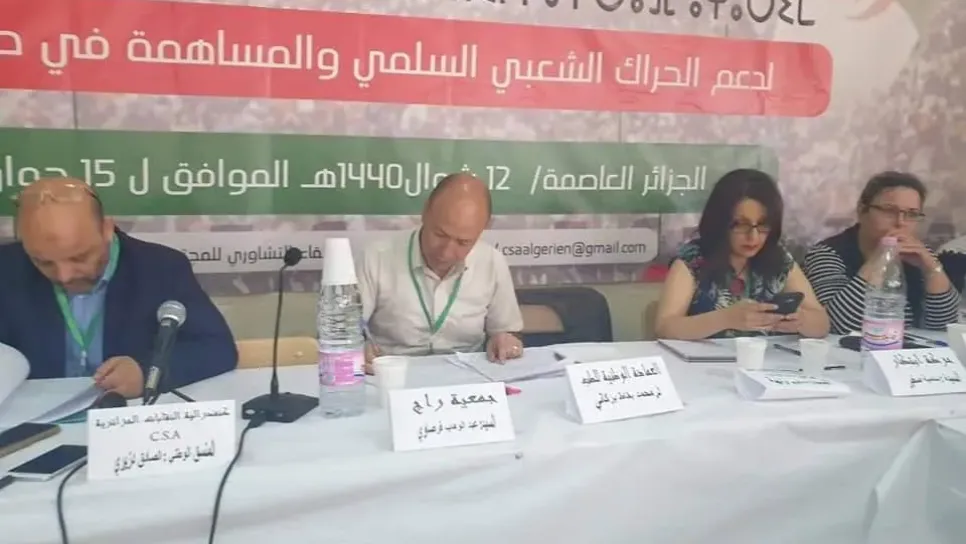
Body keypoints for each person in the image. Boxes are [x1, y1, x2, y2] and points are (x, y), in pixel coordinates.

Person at [0, 178, 238, 398]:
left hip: (124, 417)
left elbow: (217, 348)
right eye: (43, 262)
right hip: (31, 420)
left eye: (79, 257)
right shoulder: (6, 269)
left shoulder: (161, 268)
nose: (65, 275)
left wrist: (145, 372)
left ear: (107, 229)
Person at [359, 173, 524, 369]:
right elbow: (345, 329)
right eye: (440, 235)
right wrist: (358, 347)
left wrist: (505, 340)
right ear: (425, 212)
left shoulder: (492, 262)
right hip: (392, 373)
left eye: (463, 242)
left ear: (482, 230)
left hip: (468, 374)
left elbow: (506, 331)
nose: (446, 252)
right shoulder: (376, 257)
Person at [655, 169, 830, 340]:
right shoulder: (692, 260)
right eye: (741, 224)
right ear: (720, 222)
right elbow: (665, 327)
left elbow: (822, 323)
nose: (753, 237)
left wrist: (801, 321)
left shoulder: (779, 260)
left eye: (762, 225)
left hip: (767, 358)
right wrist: (726, 319)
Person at [803, 171, 959, 333]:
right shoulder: (826, 255)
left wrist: (932, 270)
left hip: (908, 347)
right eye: (889, 211)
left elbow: (945, 327)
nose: (900, 222)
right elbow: (838, 325)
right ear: (862, 210)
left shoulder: (919, 254)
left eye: (912, 214)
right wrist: (881, 259)